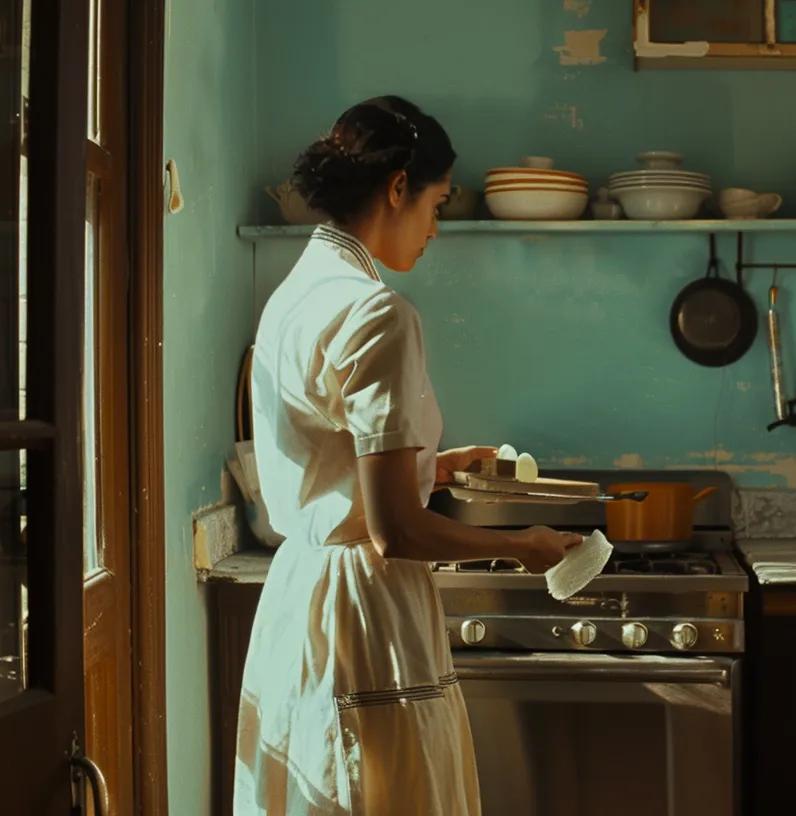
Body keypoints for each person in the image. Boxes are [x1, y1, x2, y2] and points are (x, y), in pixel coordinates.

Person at [234, 96, 582, 815]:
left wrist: (435, 464)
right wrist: (524, 547)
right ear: (399, 188)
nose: (435, 227)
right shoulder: (377, 312)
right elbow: (396, 532)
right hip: (364, 609)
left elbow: (328, 452)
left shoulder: (294, 294)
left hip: (298, 594)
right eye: (438, 202)